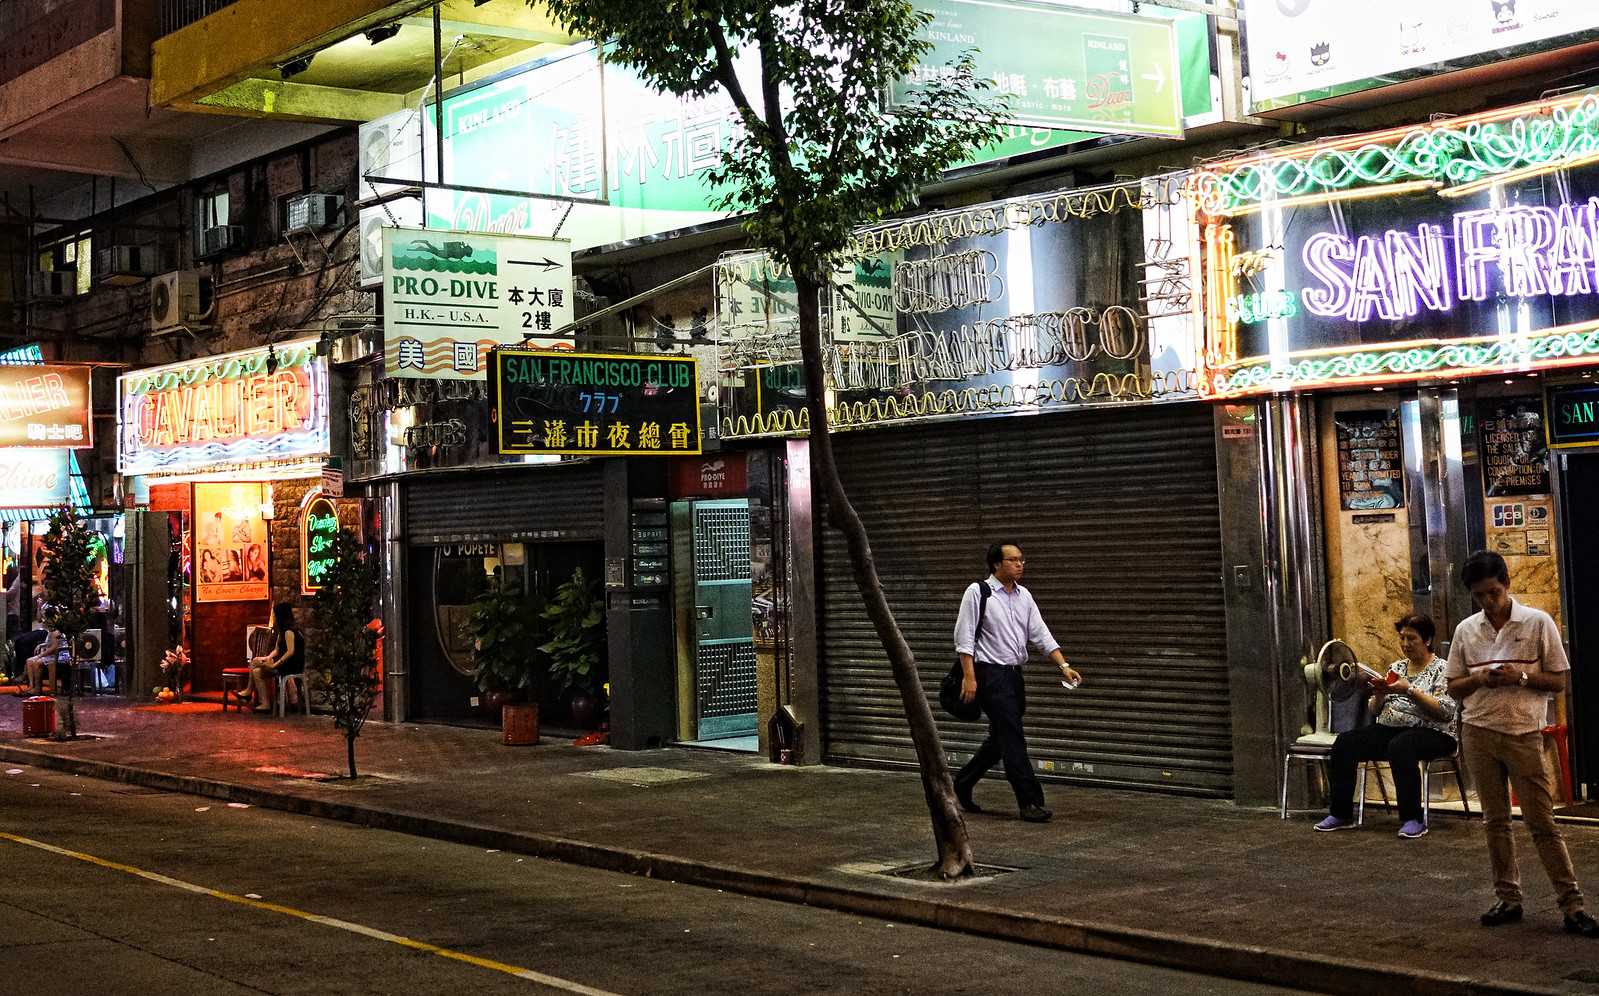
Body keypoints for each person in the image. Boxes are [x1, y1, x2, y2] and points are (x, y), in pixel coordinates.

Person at [1444, 550, 1598, 938]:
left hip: (1523, 733)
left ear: (1507, 584)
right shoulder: (1467, 631)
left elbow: (1558, 681)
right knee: (1495, 822)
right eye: (1480, 596)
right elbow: (1453, 686)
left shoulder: (1537, 622)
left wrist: (1521, 677)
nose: (1489, 601)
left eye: (1494, 592)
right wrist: (1480, 680)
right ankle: (1508, 898)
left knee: (1542, 822)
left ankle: (1572, 904)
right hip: (1478, 730)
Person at [951, 542, 1080, 823]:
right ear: (997, 564)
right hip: (988, 674)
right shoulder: (978, 592)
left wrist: (1064, 665)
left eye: (1022, 560)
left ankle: (963, 782)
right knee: (1013, 736)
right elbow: (964, 639)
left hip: (1013, 675)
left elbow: (1040, 634)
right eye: (1013, 560)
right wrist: (970, 678)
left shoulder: (1024, 597)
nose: (1020, 564)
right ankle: (1030, 801)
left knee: (1001, 737)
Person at [1314, 614, 1457, 837]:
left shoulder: (1443, 669)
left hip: (1433, 732)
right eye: (1402, 638)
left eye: (1412, 639)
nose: (1405, 644)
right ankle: (1341, 813)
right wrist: (1379, 694)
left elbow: (1445, 712)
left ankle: (1412, 818)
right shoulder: (1397, 667)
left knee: (1402, 746)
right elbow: (1376, 710)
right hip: (1392, 728)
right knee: (1346, 742)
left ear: (1427, 640)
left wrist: (1409, 690)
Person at [242, 602, 305, 713]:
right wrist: (267, 658)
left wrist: (275, 664)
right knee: (256, 671)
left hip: (291, 665)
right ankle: (265, 703)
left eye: (275, 615)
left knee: (255, 662)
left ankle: (248, 691)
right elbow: (276, 650)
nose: (274, 617)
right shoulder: (282, 631)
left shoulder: (289, 631)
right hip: (283, 663)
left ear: (281, 616)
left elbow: (290, 652)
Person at [23, 630, 65, 694]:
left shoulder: (56, 633)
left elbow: (54, 647)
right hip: (50, 655)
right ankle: (32, 686)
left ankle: (38, 688)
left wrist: (40, 655)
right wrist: (40, 645)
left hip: (56, 656)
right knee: (29, 661)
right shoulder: (50, 632)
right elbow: (49, 643)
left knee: (36, 662)